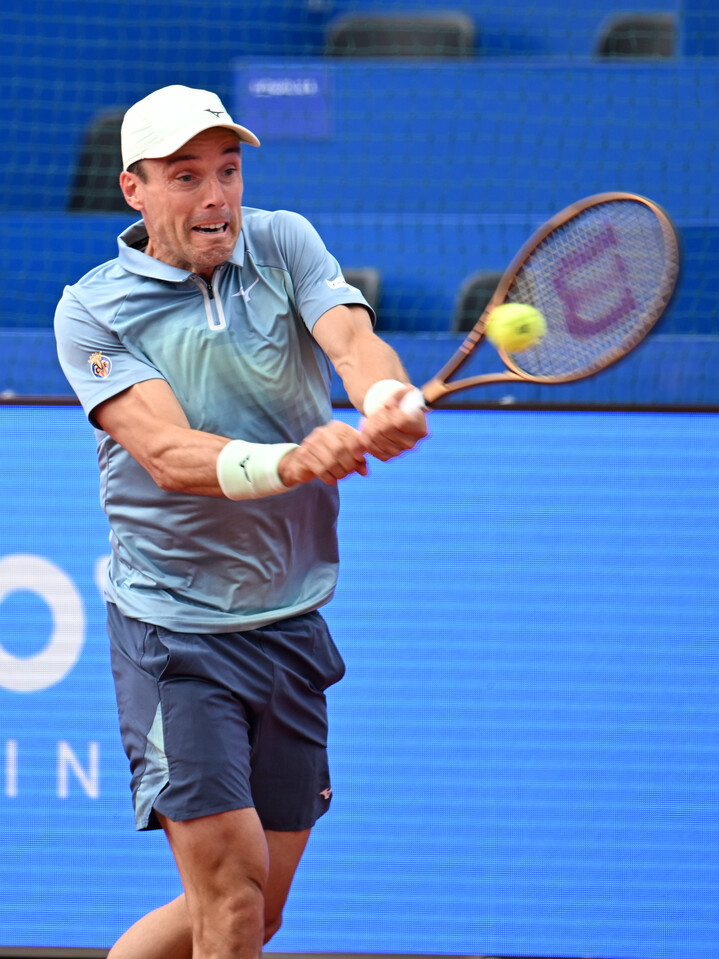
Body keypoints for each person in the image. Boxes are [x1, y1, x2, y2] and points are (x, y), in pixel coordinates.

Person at [54, 85, 427, 959]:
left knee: (255, 913)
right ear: (134, 189)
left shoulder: (283, 242)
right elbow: (166, 452)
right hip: (173, 629)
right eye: (185, 176)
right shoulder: (94, 309)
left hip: (289, 619)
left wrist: (384, 395)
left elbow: (351, 342)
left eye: (227, 170)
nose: (216, 195)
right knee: (228, 902)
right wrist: (291, 461)